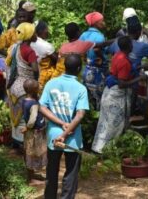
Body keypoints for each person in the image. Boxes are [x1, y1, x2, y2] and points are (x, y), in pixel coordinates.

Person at [39, 54, 89, 199]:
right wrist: (66, 132)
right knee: (71, 174)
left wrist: (60, 125)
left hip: (54, 136)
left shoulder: (51, 83)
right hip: (72, 138)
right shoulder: (81, 88)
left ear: (65, 67)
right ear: (79, 69)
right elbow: (79, 115)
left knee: (52, 171)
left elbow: (42, 107)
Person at [92, 36, 148, 153]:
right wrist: (139, 78)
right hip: (116, 95)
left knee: (106, 123)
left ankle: (99, 148)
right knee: (113, 124)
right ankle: (106, 151)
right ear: (129, 46)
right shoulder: (124, 61)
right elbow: (122, 83)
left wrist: (141, 67)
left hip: (109, 92)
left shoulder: (118, 55)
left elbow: (125, 72)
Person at [6, 22, 39, 146]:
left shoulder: (17, 48)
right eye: (34, 32)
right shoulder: (29, 51)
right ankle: (24, 144)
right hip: (27, 88)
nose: (36, 35)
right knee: (26, 118)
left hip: (16, 86)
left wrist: (9, 84)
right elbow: (35, 70)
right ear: (29, 35)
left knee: (16, 116)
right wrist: (36, 82)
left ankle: (15, 141)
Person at [21, 79, 47, 185]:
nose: (40, 87)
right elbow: (32, 119)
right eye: (38, 87)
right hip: (35, 133)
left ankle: (31, 175)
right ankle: (31, 179)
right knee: (32, 153)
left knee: (28, 152)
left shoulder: (25, 100)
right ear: (34, 90)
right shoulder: (34, 104)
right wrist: (27, 127)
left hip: (31, 132)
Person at [79, 12, 108, 108]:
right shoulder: (100, 36)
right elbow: (97, 49)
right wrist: (103, 58)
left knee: (87, 96)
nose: (104, 23)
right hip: (98, 71)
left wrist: (85, 59)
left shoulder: (83, 35)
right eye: (102, 21)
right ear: (96, 23)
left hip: (86, 69)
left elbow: (79, 50)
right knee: (99, 96)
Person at [31, 21, 57, 89]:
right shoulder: (46, 45)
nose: (48, 31)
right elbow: (57, 60)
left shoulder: (27, 42)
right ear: (41, 31)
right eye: (47, 29)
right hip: (44, 77)